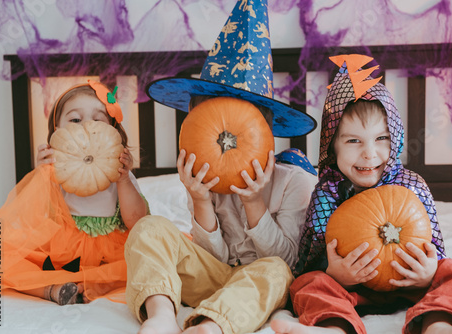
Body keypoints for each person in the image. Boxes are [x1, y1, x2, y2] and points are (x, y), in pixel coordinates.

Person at [125, 1, 318, 333]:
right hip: (211, 275)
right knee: (149, 227)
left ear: (265, 129)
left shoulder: (295, 184)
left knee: (276, 271)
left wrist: (254, 202)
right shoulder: (204, 173)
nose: (228, 138)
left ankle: (211, 325)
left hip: (257, 283)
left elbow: (288, 261)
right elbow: (212, 257)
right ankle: (161, 314)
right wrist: (200, 201)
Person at [270, 54, 452, 334]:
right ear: (331, 146)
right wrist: (338, 275)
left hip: (411, 285)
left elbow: (435, 249)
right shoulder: (327, 193)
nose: (369, 153)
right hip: (355, 290)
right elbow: (310, 259)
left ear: (395, 139)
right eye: (353, 141)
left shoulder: (411, 185)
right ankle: (335, 327)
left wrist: (427, 275)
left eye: (381, 139)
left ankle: (440, 325)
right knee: (308, 285)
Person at [0, 80, 149, 305]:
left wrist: (123, 179)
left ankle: (89, 287)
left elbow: (138, 221)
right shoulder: (53, 172)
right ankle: (52, 289)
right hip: (61, 252)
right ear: (57, 131)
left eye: (97, 120)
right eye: (75, 120)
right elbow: (33, 218)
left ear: (112, 131)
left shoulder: (119, 173)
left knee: (150, 260)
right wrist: (43, 175)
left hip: (108, 255)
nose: (86, 127)